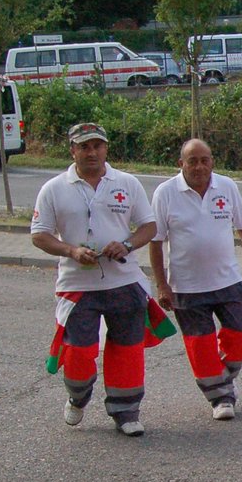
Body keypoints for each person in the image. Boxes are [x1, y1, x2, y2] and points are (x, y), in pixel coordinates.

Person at [30, 122, 158, 437]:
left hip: (124, 283)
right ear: (72, 150)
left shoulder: (127, 183)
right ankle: (77, 395)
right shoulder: (54, 188)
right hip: (78, 287)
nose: (92, 152)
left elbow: (149, 227)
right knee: (78, 353)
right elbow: (39, 235)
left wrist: (126, 244)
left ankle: (126, 412)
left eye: (97, 146)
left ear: (106, 149)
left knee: (127, 351)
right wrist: (71, 250)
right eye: (84, 146)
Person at [149, 138, 242, 421]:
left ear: (212, 161)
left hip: (227, 281)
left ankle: (222, 377)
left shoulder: (227, 186)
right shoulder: (165, 193)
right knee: (200, 347)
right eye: (193, 161)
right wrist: (162, 285)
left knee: (239, 334)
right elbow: (155, 241)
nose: (199, 166)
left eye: (205, 160)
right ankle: (221, 397)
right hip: (186, 287)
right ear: (181, 164)